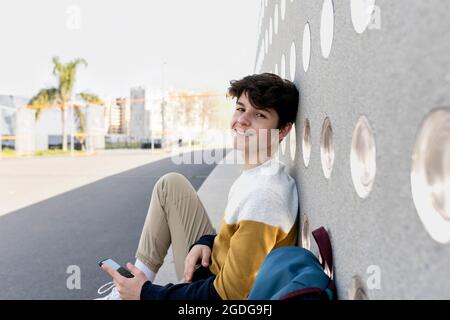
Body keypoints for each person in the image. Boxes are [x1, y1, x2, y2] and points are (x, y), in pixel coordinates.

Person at [98, 73, 300, 300]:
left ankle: (132, 293)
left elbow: (229, 296)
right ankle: (128, 289)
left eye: (259, 114)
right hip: (211, 268)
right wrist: (205, 242)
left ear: (282, 130)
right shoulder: (256, 175)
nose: (243, 121)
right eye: (241, 108)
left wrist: (147, 294)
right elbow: (238, 239)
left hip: (216, 294)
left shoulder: (265, 196)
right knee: (170, 186)